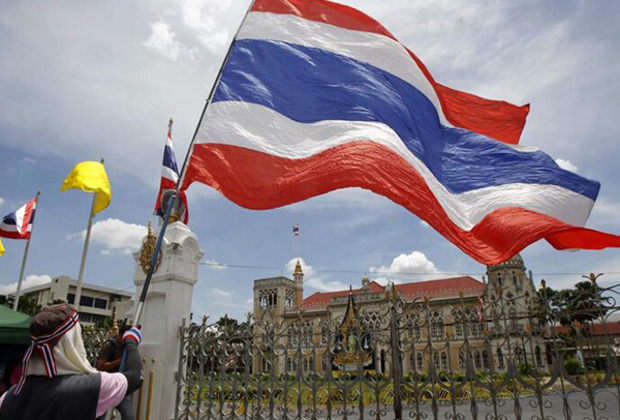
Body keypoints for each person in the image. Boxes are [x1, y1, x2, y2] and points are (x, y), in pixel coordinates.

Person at [0, 304, 143, 420]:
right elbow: (135, 376)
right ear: (71, 342)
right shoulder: (90, 387)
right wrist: (131, 341)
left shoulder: (9, 396)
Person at [96, 325, 134, 420]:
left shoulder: (128, 348)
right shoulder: (109, 345)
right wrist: (120, 361)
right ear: (120, 335)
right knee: (101, 416)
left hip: (121, 385)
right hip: (107, 384)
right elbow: (100, 366)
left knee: (129, 416)